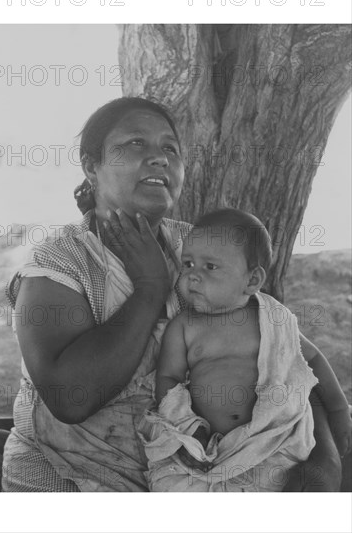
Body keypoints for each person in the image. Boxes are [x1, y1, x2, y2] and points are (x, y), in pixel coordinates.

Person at [2, 97, 342, 492]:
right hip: (75, 473)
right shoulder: (59, 263)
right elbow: (70, 400)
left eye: (170, 149)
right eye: (134, 144)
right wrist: (150, 288)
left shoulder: (199, 248)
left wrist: (325, 460)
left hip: (204, 470)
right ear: (91, 166)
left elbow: (286, 355)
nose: (159, 158)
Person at [139, 209, 352, 491]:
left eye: (210, 267)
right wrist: (190, 429)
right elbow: (168, 379)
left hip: (272, 440)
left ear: (251, 281)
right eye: (187, 264)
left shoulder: (272, 316)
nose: (193, 276)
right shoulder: (184, 326)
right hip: (207, 448)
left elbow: (311, 358)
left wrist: (338, 409)